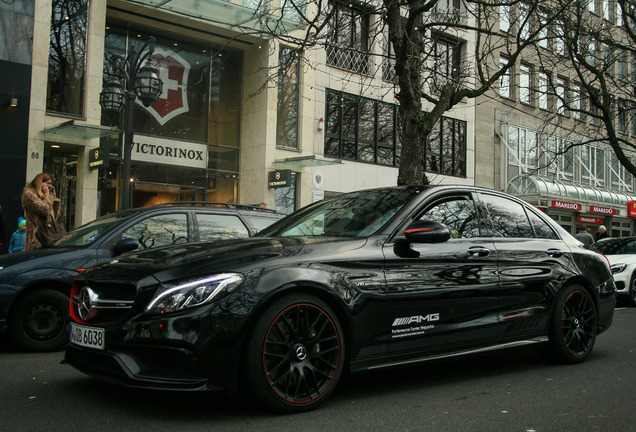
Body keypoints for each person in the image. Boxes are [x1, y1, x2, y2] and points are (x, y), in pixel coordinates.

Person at [21, 173, 62, 250]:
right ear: (41, 183)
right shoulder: (29, 194)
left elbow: (53, 218)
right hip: (36, 238)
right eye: (48, 183)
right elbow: (44, 210)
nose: (50, 186)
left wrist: (53, 199)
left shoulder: (45, 197)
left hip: (48, 236)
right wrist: (47, 195)